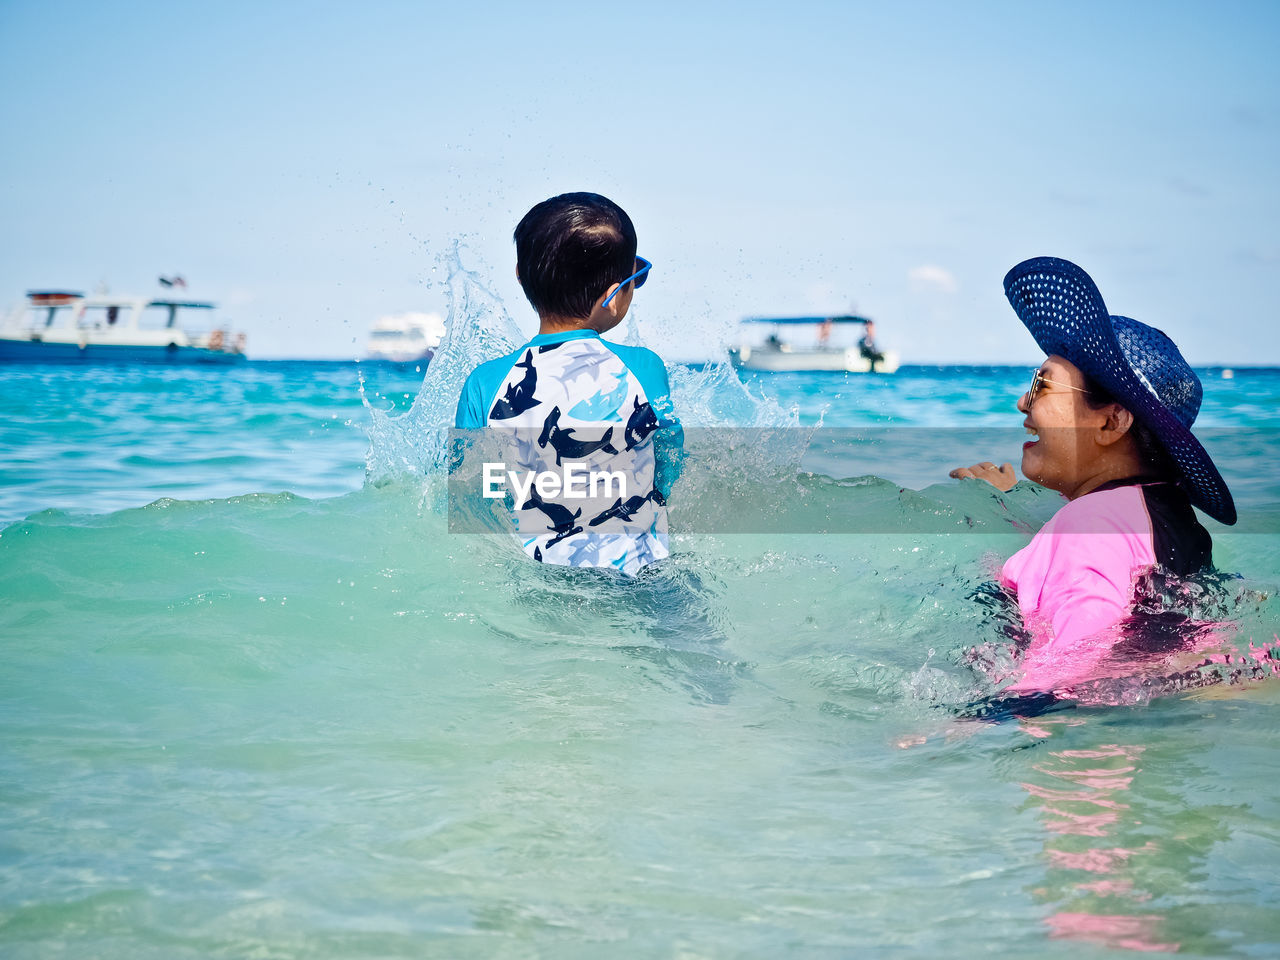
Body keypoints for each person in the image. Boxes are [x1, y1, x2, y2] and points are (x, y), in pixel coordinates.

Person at [950, 256, 1236, 696]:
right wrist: (1008, 504)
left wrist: (970, 725)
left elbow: (1077, 666)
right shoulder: (1164, 513)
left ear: (1110, 423)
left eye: (1041, 385)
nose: (1022, 404)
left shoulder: (1088, 527)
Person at [454, 192, 682, 576]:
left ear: (520, 275)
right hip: (640, 573)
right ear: (613, 295)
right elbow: (670, 464)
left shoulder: (485, 383)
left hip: (534, 575)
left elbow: (473, 491)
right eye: (635, 277)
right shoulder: (643, 368)